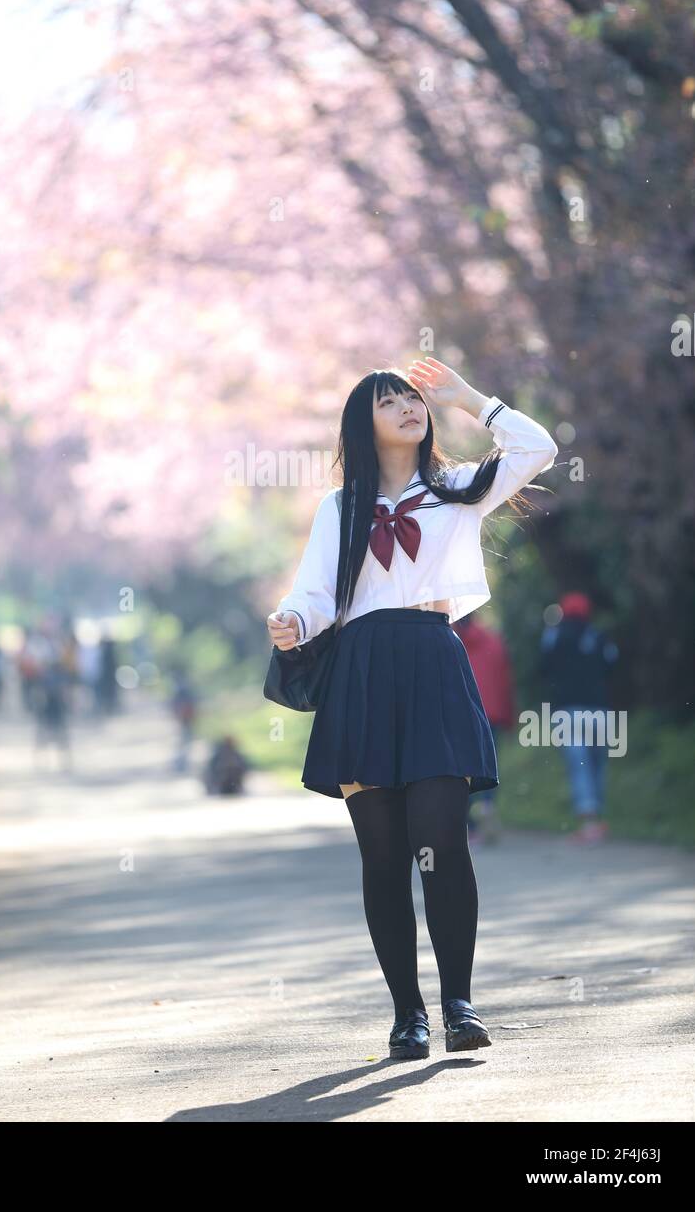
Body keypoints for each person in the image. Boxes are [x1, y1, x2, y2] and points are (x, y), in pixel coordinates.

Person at [266, 357, 557, 1060]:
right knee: (384, 857)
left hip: (432, 662)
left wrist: (469, 400)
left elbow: (538, 450)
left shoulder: (456, 488)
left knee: (442, 842)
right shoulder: (341, 507)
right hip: (362, 674)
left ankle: (460, 1003)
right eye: (388, 401)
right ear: (361, 424)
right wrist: (291, 623)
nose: (407, 406)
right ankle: (408, 1014)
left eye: (411, 398)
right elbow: (315, 594)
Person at [539, 592, 619, 845]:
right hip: (598, 709)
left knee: (579, 765)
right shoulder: (598, 636)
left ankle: (588, 822)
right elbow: (612, 664)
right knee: (597, 765)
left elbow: (543, 666)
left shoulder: (553, 635)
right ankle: (598, 819)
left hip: (568, 711)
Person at [454, 609, 516, 845]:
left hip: (460, 714)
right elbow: (505, 681)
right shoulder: (493, 640)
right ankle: (488, 807)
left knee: (462, 771)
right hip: (492, 715)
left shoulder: (448, 640)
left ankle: (470, 826)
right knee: (489, 768)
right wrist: (509, 716)